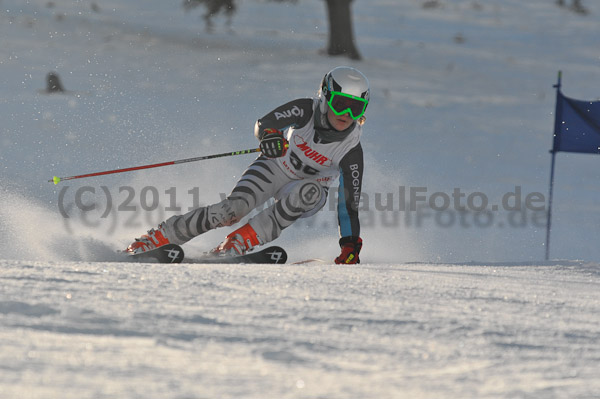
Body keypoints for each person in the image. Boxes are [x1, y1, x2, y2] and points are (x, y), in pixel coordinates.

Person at [126, 66, 369, 264]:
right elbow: (264, 124)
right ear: (325, 97)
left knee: (310, 192)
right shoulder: (305, 110)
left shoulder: (351, 149)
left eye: (356, 108)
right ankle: (157, 237)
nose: (346, 113)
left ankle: (238, 242)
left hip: (305, 190)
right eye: (340, 103)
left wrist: (350, 244)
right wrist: (270, 136)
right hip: (274, 168)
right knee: (233, 209)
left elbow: (349, 204)